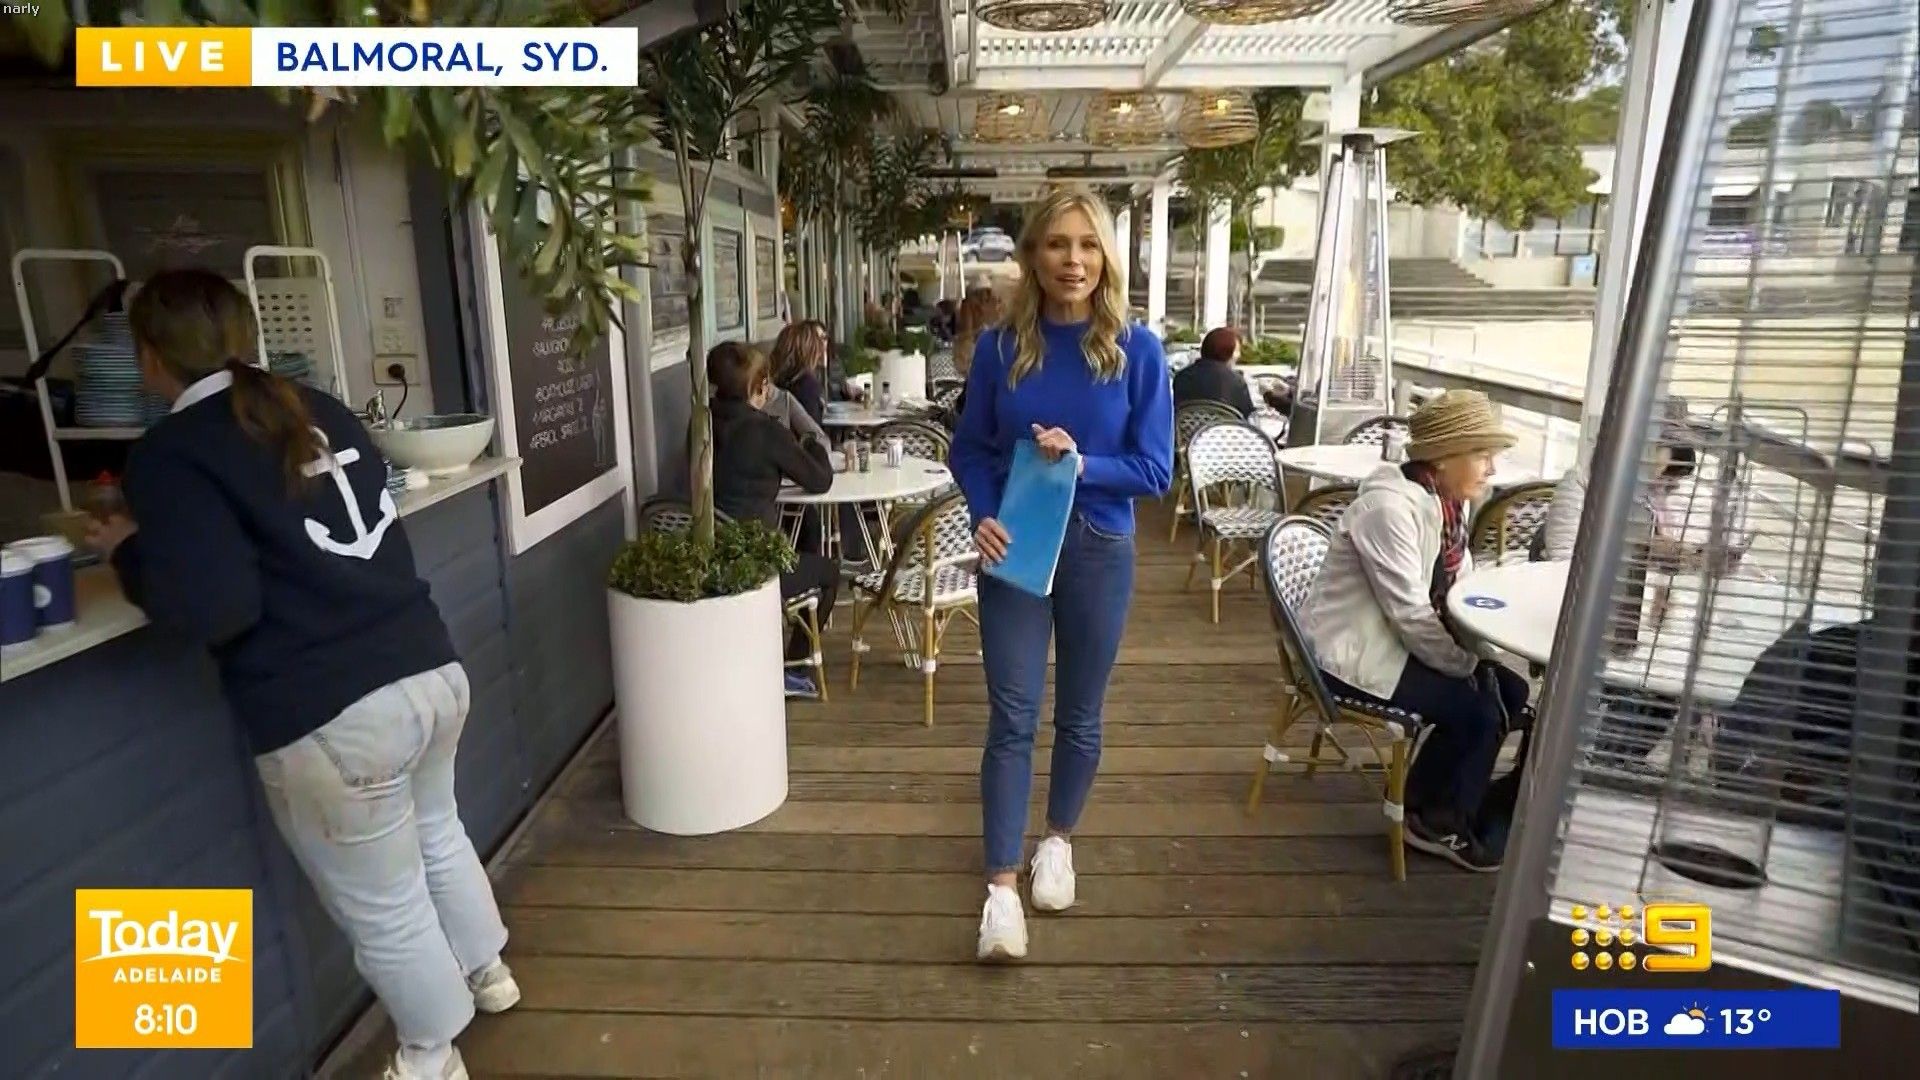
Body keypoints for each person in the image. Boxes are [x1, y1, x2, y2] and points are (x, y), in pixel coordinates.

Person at [80, 270, 513, 1080]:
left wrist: (129, 554)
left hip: (334, 710)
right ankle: (489, 973)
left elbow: (216, 607)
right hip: (429, 666)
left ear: (148, 359)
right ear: (246, 336)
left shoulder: (172, 455)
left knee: (385, 906)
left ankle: (431, 1055)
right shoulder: (317, 407)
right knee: (438, 831)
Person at [950, 189, 1174, 961]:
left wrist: (1082, 465)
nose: (1072, 260)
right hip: (1016, 543)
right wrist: (983, 511)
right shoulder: (999, 350)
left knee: (1080, 714)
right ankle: (1000, 892)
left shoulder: (1138, 352)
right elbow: (970, 448)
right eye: (1056, 244)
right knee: (1012, 715)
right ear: (1032, 256)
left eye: (1087, 245)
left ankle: (1058, 841)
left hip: (1100, 547)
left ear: (1106, 256)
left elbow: (1155, 469)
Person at [1297, 389, 1530, 873]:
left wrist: (1481, 660)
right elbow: (1410, 614)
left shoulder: (1445, 505)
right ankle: (1437, 820)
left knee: (1511, 689)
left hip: (1392, 640)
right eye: (1481, 454)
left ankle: (1424, 798)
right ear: (1442, 457)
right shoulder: (1389, 511)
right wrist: (1467, 665)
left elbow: (1456, 592)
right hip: (1353, 653)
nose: (1492, 468)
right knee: (1478, 712)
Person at [706, 341, 839, 698]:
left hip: (708, 557)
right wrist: (812, 443)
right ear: (758, 387)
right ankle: (792, 668)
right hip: (756, 565)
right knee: (828, 572)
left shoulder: (701, 423)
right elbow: (819, 480)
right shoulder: (765, 430)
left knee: (805, 539)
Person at [1171, 326, 1257, 417]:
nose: (1239, 355)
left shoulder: (1182, 376)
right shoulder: (1236, 380)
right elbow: (1247, 413)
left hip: (1188, 425)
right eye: (1237, 351)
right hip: (1225, 425)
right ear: (1226, 351)